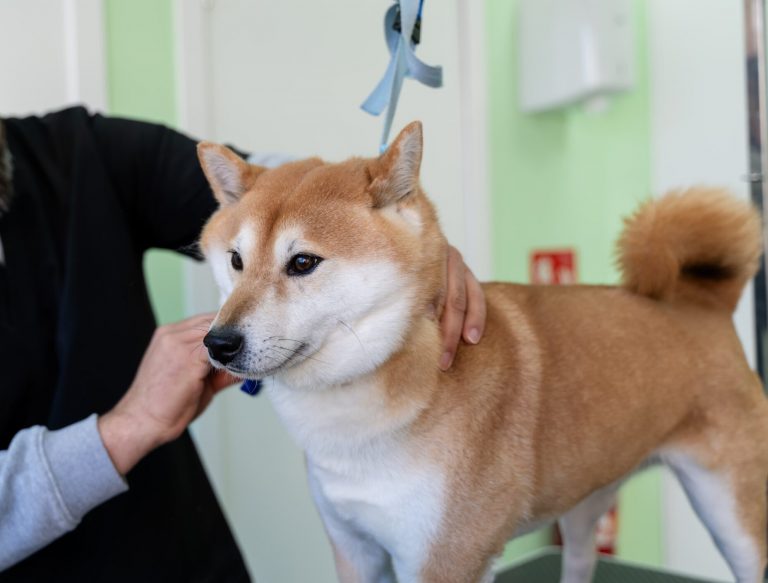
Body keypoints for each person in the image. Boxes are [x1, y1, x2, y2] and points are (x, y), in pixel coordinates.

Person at [0, 107, 486, 580]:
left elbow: (270, 185)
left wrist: (407, 232)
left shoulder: (77, 150)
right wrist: (129, 426)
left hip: (176, 545)